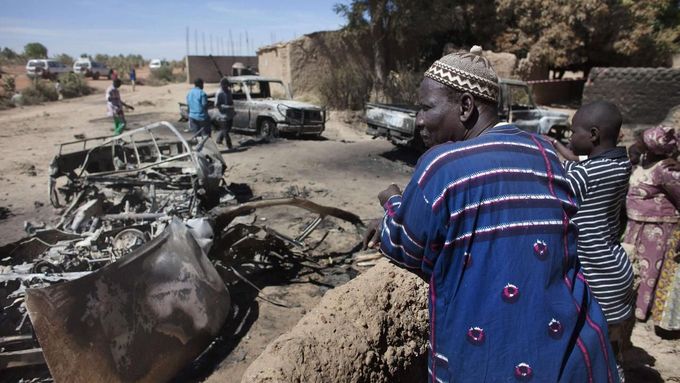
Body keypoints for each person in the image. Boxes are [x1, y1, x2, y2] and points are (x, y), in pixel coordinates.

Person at [364, 47, 618, 382]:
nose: (420, 120)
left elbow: (406, 247)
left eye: (427, 107)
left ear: (466, 106)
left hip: (487, 362)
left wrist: (392, 201)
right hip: (569, 349)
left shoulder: (442, 165)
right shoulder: (544, 152)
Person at [549, 102, 635, 377]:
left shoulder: (584, 175)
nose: (570, 138)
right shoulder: (621, 164)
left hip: (596, 275)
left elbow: (560, 179)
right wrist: (558, 147)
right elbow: (578, 163)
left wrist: (542, 152)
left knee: (591, 350)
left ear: (594, 135)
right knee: (611, 345)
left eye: (573, 132)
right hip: (615, 270)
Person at [622, 126, 680, 325]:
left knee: (648, 271)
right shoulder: (643, 162)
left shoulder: (666, 170)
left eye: (641, 141)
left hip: (656, 229)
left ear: (651, 147)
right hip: (635, 225)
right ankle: (629, 306)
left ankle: (641, 311)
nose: (636, 143)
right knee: (633, 266)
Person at [211, 77, 234, 149]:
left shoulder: (228, 91)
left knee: (228, 128)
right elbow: (216, 104)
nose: (227, 86)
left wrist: (231, 106)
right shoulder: (219, 93)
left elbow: (230, 101)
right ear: (222, 85)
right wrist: (225, 107)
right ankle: (229, 145)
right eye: (225, 85)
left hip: (229, 113)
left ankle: (219, 139)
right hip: (222, 114)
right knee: (225, 130)